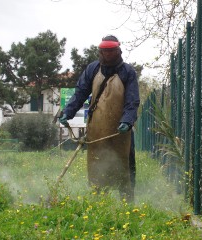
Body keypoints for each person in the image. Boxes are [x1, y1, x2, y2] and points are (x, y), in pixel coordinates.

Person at [59, 35, 140, 202]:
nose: (108, 55)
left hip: (121, 132)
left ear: (118, 51)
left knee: (124, 166)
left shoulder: (128, 72)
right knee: (96, 166)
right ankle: (98, 203)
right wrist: (68, 112)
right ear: (100, 52)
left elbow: (132, 101)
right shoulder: (92, 69)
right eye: (105, 51)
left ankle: (128, 203)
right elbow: (80, 93)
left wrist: (127, 120)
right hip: (96, 130)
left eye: (111, 51)